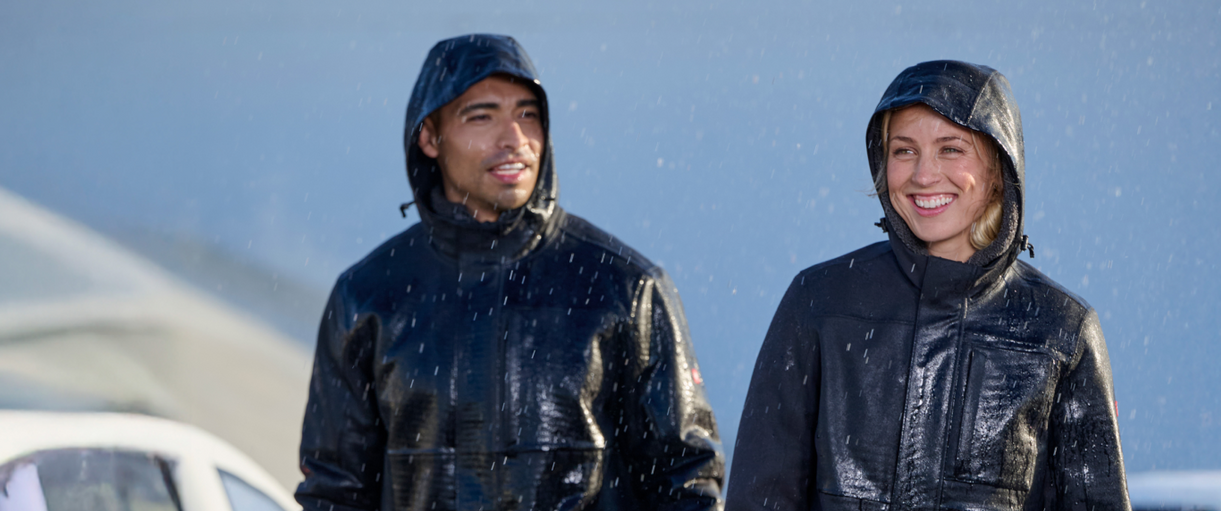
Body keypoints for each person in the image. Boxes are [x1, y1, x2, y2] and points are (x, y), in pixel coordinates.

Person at [295, 34, 724, 511]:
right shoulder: (368, 297)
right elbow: (334, 491)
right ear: (430, 137)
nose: (514, 140)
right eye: (482, 117)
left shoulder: (624, 289)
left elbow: (688, 481)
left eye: (528, 115)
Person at [727, 60, 1131, 510]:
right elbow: (760, 497)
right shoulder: (820, 301)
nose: (923, 175)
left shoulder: (1060, 330)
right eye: (904, 151)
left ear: (997, 169)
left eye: (951, 149)